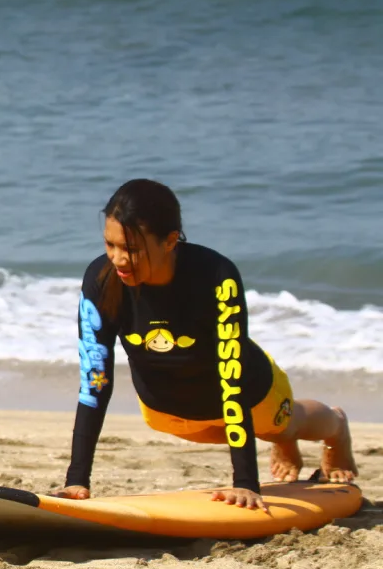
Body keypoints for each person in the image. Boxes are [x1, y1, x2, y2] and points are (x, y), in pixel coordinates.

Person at [56, 179, 357, 512]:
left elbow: (233, 378)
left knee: (282, 424)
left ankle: (336, 427)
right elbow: (94, 382)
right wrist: (77, 481)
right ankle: (278, 439)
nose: (118, 259)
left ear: (170, 241)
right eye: (110, 245)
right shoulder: (101, 279)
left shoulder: (215, 275)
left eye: (131, 249)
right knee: (250, 432)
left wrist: (245, 483)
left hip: (252, 394)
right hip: (166, 414)